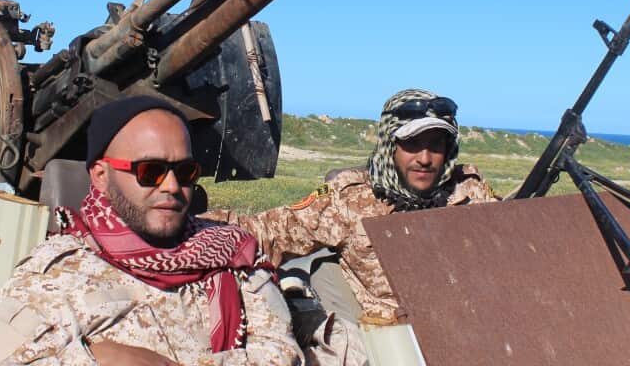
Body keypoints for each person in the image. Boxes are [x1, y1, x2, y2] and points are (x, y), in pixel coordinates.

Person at [0, 95, 303, 366]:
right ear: (100, 175)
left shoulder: (230, 255)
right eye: (150, 170)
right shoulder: (56, 277)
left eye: (184, 171)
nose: (171, 186)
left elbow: (281, 355)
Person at [208, 88, 499, 325]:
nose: (425, 158)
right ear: (390, 144)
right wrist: (194, 229)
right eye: (412, 143)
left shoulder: (470, 193)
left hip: (467, 328)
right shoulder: (350, 198)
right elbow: (270, 231)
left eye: (436, 145)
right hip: (385, 338)